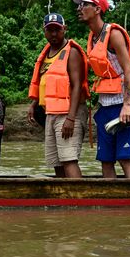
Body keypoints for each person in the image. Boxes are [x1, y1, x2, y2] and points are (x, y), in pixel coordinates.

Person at [74, 0, 130, 179]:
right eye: (79, 5)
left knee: (126, 159)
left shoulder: (114, 34)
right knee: (106, 159)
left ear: (97, 9)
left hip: (123, 106)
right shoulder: (93, 37)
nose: (80, 9)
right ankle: (109, 205)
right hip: (106, 105)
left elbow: (128, 70)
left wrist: (127, 106)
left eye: (84, 5)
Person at [27, 13, 90, 178]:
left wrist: (71, 118)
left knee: (69, 159)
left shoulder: (72, 52)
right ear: (44, 31)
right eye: (50, 30)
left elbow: (77, 86)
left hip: (69, 113)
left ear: (64, 29)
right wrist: (33, 104)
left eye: (57, 29)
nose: (54, 34)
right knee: (56, 161)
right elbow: (43, 82)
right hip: (51, 113)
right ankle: (65, 201)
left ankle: (78, 200)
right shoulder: (46, 53)